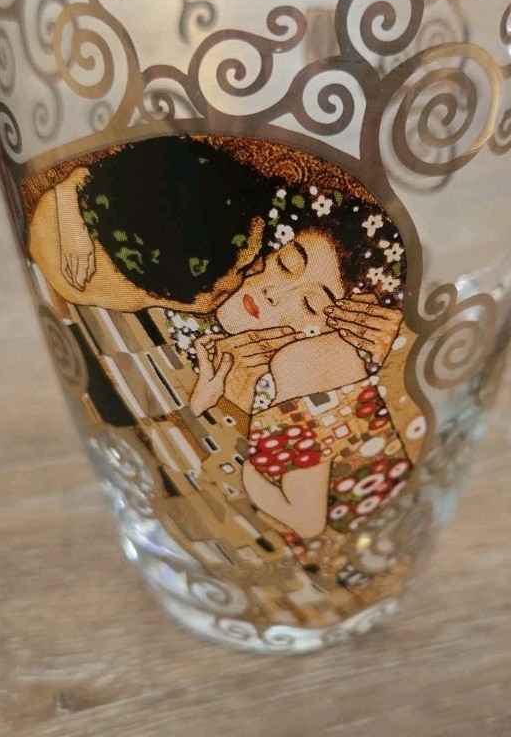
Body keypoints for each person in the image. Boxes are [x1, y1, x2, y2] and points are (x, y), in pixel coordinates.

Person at [27, 133, 415, 573]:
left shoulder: (309, 365)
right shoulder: (192, 335)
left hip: (336, 565)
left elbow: (301, 518)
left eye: (311, 304)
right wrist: (69, 195)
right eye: (281, 263)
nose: (271, 290)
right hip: (243, 562)